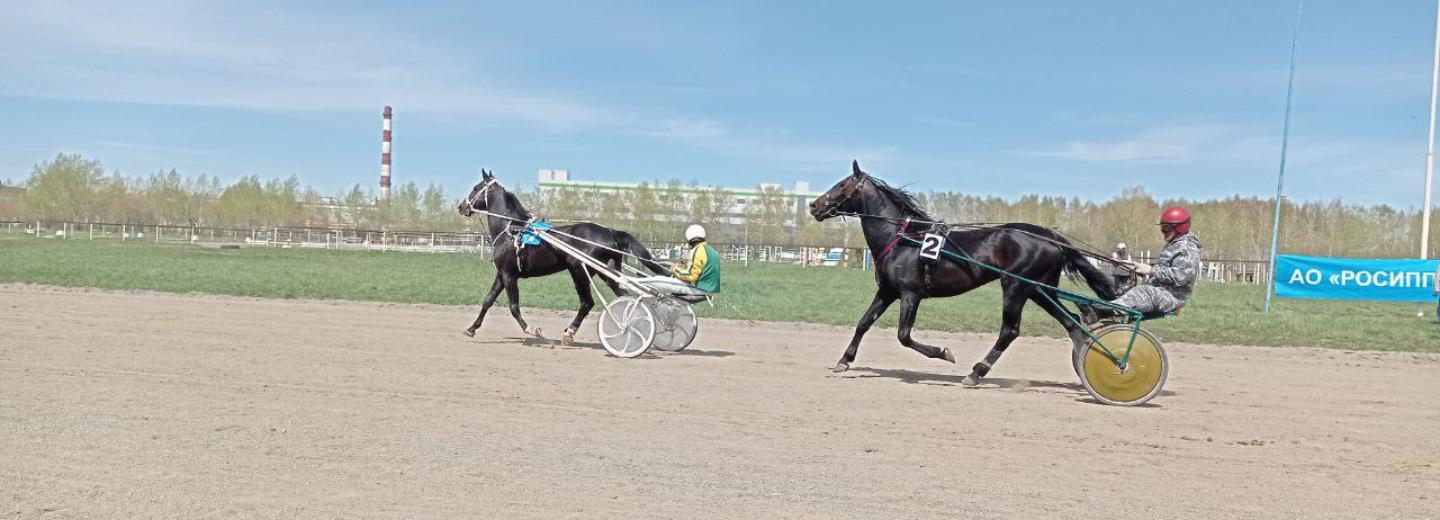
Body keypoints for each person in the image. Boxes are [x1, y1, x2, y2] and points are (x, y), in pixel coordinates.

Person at [1084, 207, 1201, 322]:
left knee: (1144, 292)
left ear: (1180, 227)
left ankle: (1101, 310)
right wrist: (1134, 267)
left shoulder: (1187, 247)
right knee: (1131, 290)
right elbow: (1162, 270)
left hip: (1173, 297)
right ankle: (1102, 311)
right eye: (1162, 228)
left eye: (1166, 228)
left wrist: (1151, 270)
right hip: (1161, 291)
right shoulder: (1174, 244)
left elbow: (1182, 276)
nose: (1163, 231)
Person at [631, 224, 721, 297]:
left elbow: (691, 275)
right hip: (709, 288)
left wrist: (675, 269)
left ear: (689, 238)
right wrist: (678, 266)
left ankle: (631, 282)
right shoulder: (709, 249)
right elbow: (698, 269)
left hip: (700, 289)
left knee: (657, 280)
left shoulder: (697, 250)